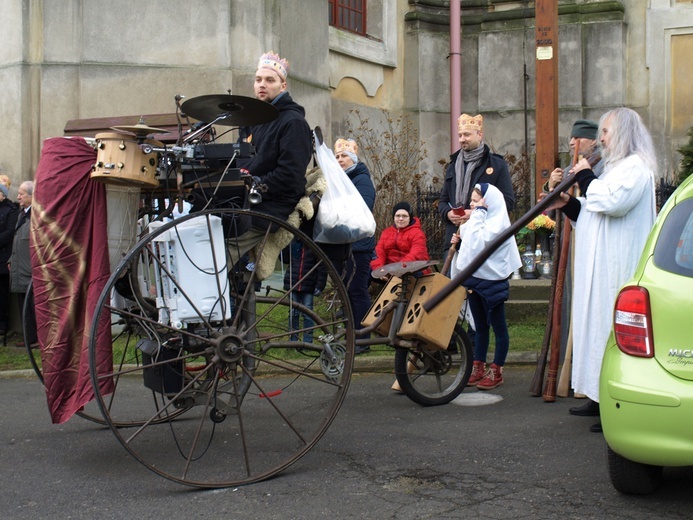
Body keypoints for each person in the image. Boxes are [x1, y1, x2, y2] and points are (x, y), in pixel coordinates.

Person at [548, 107, 657, 432]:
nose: (601, 139)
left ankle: (614, 404)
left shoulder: (636, 168)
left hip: (617, 269)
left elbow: (612, 202)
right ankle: (596, 398)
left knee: (612, 334)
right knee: (595, 329)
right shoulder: (613, 170)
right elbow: (593, 210)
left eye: (606, 133)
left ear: (622, 133)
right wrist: (568, 203)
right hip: (598, 268)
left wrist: (583, 175)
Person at [230, 50, 313, 267]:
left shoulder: (293, 122)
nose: (262, 85)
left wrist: (256, 186)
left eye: (269, 80)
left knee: (219, 251)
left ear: (282, 86)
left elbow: (291, 174)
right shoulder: (252, 120)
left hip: (270, 205)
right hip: (243, 200)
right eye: (258, 80)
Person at [450, 183, 522, 390]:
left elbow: (478, 242)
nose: (472, 205)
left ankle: (497, 369)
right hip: (475, 280)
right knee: (479, 326)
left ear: (489, 202)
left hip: (492, 281)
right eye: (472, 201)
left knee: (498, 326)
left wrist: (478, 214)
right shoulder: (478, 220)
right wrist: (461, 235)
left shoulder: (497, 224)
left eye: (476, 200)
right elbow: (469, 240)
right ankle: (478, 367)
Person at [438, 114, 515, 247]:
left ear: (479, 134)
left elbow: (507, 202)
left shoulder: (497, 165)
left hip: (484, 239)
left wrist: (475, 213)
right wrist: (448, 214)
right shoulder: (453, 166)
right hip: (455, 238)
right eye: (460, 135)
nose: (462, 139)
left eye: (467, 135)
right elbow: (443, 201)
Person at [333, 138, 376, 345]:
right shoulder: (341, 180)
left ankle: (363, 337)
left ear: (353, 159)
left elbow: (364, 208)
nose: (340, 160)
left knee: (357, 290)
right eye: (337, 156)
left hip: (359, 246)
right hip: (345, 244)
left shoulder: (361, 179)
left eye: (344, 156)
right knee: (347, 291)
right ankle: (352, 334)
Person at [8, 180, 37, 347]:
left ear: (32, 196)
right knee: (23, 305)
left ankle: (36, 338)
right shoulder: (21, 214)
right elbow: (17, 240)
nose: (18, 196)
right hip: (20, 267)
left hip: (30, 269)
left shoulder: (37, 215)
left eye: (21, 194)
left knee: (33, 305)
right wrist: (11, 260)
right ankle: (29, 337)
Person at [283, 238, 327, 343]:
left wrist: (320, 285)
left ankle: (307, 341)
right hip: (293, 283)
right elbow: (284, 259)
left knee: (308, 314)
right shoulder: (294, 243)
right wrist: (284, 245)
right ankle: (293, 340)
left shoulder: (316, 246)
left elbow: (322, 267)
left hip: (308, 284)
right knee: (293, 313)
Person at [371, 202, 430, 272]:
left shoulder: (418, 233)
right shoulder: (386, 232)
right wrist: (379, 269)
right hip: (389, 269)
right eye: (398, 216)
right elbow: (379, 252)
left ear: (410, 218)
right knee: (367, 272)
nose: (401, 218)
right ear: (394, 217)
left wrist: (398, 269)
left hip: (412, 268)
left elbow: (416, 255)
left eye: (404, 216)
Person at [0, 176, 19, 335]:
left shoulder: (11, 210)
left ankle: (2, 325)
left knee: (2, 294)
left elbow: (9, 232)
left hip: (3, 258)